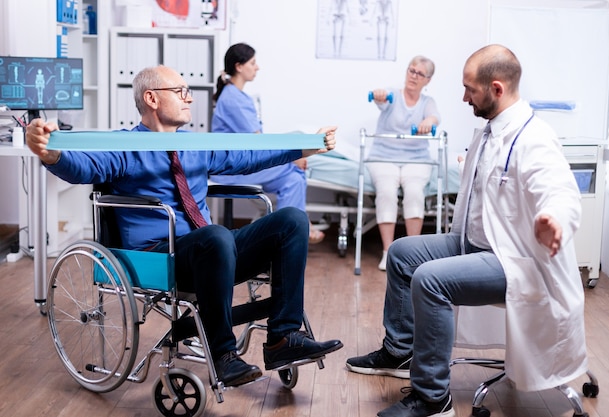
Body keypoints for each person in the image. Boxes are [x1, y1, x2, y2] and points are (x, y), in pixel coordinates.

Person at [26, 65, 343, 388]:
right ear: (151, 98)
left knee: (292, 220)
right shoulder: (123, 145)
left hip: (213, 252)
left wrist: (306, 147)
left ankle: (282, 340)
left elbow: (248, 155)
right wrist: (52, 154)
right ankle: (223, 356)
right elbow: (83, 167)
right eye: (180, 92)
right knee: (216, 236)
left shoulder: (195, 144)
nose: (189, 99)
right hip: (162, 258)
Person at [346, 44, 587, 417]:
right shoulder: (493, 130)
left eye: (469, 89)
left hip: (515, 260)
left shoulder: (534, 138)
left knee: (429, 280)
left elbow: (560, 190)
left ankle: (432, 398)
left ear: (496, 89)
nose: (462, 97)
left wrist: (554, 219)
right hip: (474, 244)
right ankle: (399, 352)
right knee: (402, 253)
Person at [210, 43, 326, 244]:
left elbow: (258, 141)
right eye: (253, 63)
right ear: (239, 66)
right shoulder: (232, 98)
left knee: (294, 180)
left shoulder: (237, 95)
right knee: (294, 170)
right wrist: (293, 157)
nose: (257, 67)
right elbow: (258, 142)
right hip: (230, 168)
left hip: (242, 162)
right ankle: (292, 231)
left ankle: (290, 233)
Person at [367, 55, 440, 271]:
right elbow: (382, 99)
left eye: (420, 74)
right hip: (384, 156)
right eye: (411, 70)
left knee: (415, 192)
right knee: (387, 191)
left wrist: (429, 122)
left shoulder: (428, 103)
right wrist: (379, 96)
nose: (414, 76)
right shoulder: (392, 95)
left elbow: (434, 117)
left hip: (416, 159)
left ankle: (412, 254)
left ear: (427, 80)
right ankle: (388, 252)